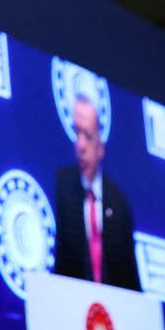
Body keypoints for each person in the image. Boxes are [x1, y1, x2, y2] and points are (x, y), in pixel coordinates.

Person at [53, 96, 141, 291]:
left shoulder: (119, 203)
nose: (80, 146)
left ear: (101, 145)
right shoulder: (60, 187)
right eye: (77, 133)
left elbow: (130, 278)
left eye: (88, 135)